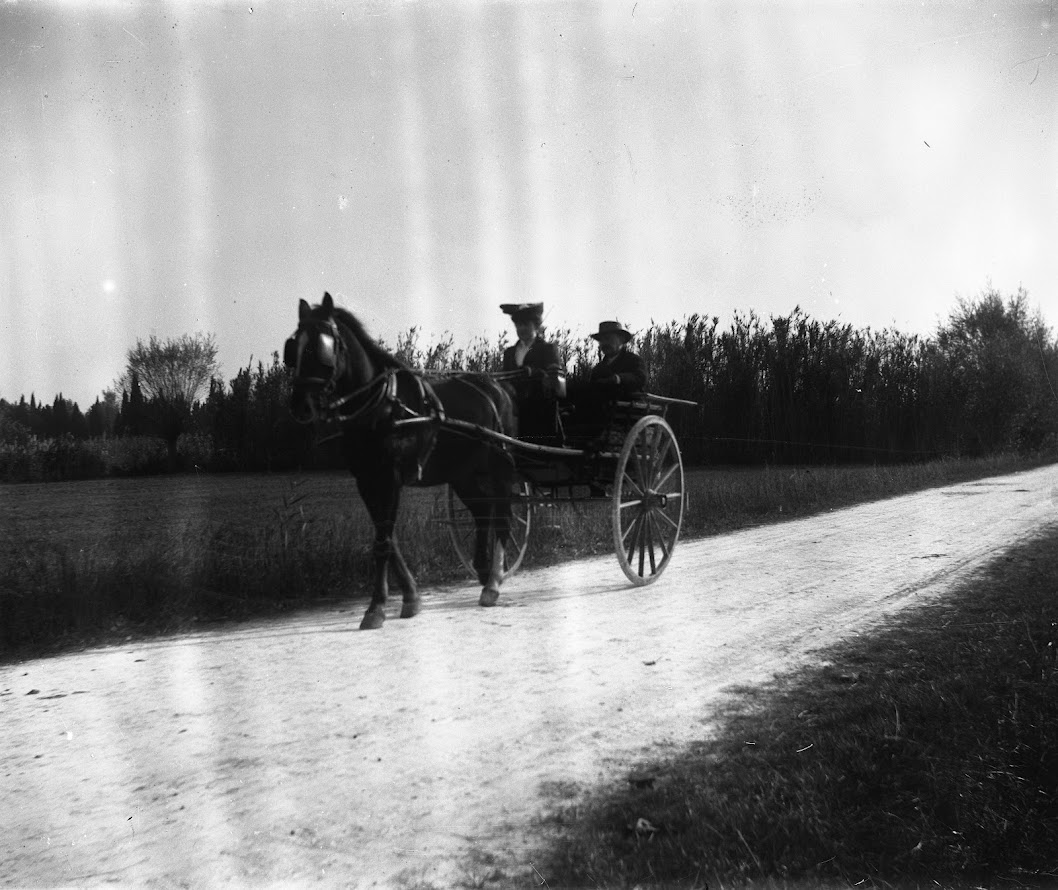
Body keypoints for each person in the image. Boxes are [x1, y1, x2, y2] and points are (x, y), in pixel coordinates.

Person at [499, 303, 566, 442]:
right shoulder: (509, 352)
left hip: (539, 405)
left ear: (535, 326)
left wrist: (533, 372)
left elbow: (555, 375)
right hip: (512, 404)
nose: (521, 329)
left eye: (525, 324)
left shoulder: (548, 348)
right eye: (518, 325)